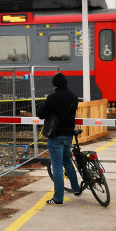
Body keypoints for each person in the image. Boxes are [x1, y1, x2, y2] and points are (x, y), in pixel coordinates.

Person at [37, 72, 81, 205]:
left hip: (56, 135)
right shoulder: (74, 96)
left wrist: (41, 107)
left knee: (56, 166)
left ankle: (58, 198)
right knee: (67, 162)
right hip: (68, 134)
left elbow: (42, 114)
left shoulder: (52, 97)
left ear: (54, 85)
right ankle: (76, 188)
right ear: (66, 83)